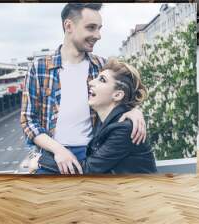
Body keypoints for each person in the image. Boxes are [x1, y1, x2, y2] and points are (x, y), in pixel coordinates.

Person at [21, 3, 147, 175]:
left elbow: (120, 93)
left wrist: (134, 110)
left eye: (99, 28)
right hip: (52, 154)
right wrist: (58, 150)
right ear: (68, 26)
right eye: (91, 28)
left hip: (93, 152)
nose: (98, 35)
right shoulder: (39, 67)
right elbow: (28, 120)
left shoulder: (101, 66)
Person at [32, 59, 157, 174]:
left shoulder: (125, 129)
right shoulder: (104, 122)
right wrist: (134, 110)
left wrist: (40, 161)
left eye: (102, 80)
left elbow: (88, 170)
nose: (91, 82)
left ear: (118, 95)